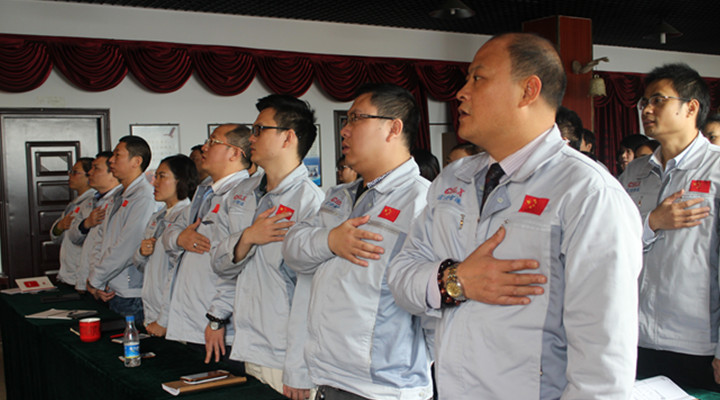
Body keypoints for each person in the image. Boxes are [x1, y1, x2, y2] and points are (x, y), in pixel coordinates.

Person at [388, 33, 642, 398]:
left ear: (528, 91)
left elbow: (603, 359)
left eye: (478, 78)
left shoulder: (586, 193)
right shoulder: (453, 179)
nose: (461, 92)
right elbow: (401, 276)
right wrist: (454, 280)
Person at [283, 83, 434, 400]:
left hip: (382, 388)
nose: (344, 130)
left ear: (393, 128)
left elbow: (436, 312)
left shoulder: (422, 202)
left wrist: (407, 364)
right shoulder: (339, 196)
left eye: (356, 118)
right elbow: (293, 251)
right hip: (328, 375)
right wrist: (330, 241)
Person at [209, 95, 324, 400]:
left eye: (260, 130)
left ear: (288, 137)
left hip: (285, 352)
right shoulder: (241, 193)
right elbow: (218, 262)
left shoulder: (311, 203)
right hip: (248, 343)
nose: (251, 137)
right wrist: (247, 237)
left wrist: (299, 367)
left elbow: (312, 294)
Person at [619, 63, 720, 390]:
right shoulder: (633, 173)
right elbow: (608, 241)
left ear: (691, 107)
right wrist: (651, 223)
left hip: (696, 342)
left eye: (658, 100)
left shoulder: (716, 169)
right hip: (633, 335)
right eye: (644, 102)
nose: (647, 110)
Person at [163, 125, 252, 354]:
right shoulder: (206, 191)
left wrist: (217, 318)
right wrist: (179, 238)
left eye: (213, 142)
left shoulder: (242, 197)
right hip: (193, 316)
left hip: (219, 328)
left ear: (235, 153)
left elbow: (239, 263)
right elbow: (171, 231)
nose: (204, 147)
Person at [86, 136, 156, 324]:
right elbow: (100, 240)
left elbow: (128, 246)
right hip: (109, 287)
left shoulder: (144, 196)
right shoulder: (117, 195)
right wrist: (96, 278)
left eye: (118, 155)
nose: (111, 160)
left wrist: (96, 279)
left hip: (130, 291)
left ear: (136, 161)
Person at [133, 155, 198, 337]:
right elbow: (142, 266)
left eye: (162, 176)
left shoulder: (188, 218)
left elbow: (180, 276)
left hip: (172, 318)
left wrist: (164, 320)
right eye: (156, 177)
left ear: (181, 180)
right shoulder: (157, 217)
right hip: (152, 311)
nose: (155, 183)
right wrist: (141, 253)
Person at [73, 152, 122, 292]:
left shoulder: (120, 202)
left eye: (96, 168)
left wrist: (98, 281)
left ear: (112, 173)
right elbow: (72, 236)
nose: (90, 172)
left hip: (107, 285)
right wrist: (85, 224)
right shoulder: (93, 201)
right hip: (92, 282)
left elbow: (116, 249)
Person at [50, 157, 95, 287]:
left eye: (75, 172)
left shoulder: (93, 202)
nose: (70, 176)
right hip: (68, 273)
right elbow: (56, 236)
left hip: (81, 275)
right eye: (70, 172)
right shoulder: (74, 204)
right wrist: (59, 226)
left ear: (89, 175)